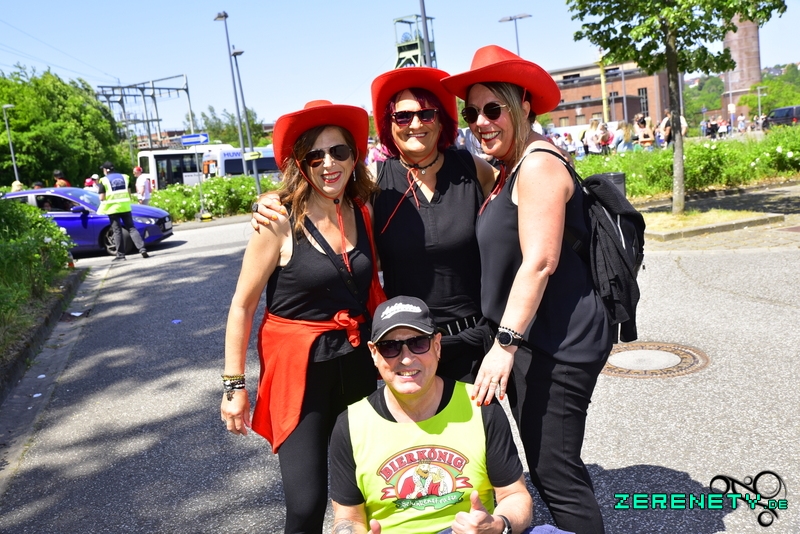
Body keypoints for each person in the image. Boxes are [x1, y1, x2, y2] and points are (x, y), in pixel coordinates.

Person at [442, 45, 612, 534]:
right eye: (471, 113)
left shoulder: (537, 165)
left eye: (493, 109)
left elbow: (540, 262)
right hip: (535, 338)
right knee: (549, 465)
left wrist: (504, 345)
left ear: (524, 105)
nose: (481, 121)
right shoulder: (508, 166)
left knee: (555, 472)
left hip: (557, 344)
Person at [252, 67, 498, 384]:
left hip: (472, 343)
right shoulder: (374, 183)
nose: (415, 124)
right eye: (402, 117)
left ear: (441, 120)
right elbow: (320, 192)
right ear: (388, 125)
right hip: (407, 347)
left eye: (426, 114)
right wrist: (270, 200)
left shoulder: (472, 169)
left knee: (474, 417)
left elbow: (513, 196)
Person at [221, 100, 381, 534]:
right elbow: (242, 305)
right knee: (307, 504)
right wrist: (234, 386)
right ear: (299, 163)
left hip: (356, 365)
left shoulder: (361, 210)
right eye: (315, 155)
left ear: (354, 156)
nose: (329, 163)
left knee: (366, 493)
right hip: (301, 375)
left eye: (339, 151)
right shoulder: (278, 220)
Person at [330, 295, 572, 534]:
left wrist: (498, 524)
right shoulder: (351, 424)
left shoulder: (480, 407)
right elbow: (348, 518)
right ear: (374, 353)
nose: (406, 358)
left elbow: (514, 495)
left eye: (418, 343)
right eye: (389, 346)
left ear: (437, 346)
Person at [97, 161, 149, 261]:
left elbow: (101, 197)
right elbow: (129, 194)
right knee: (131, 228)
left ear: (106, 170)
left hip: (113, 209)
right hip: (125, 207)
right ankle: (142, 249)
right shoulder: (125, 177)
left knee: (117, 231)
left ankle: (120, 255)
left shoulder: (104, 180)